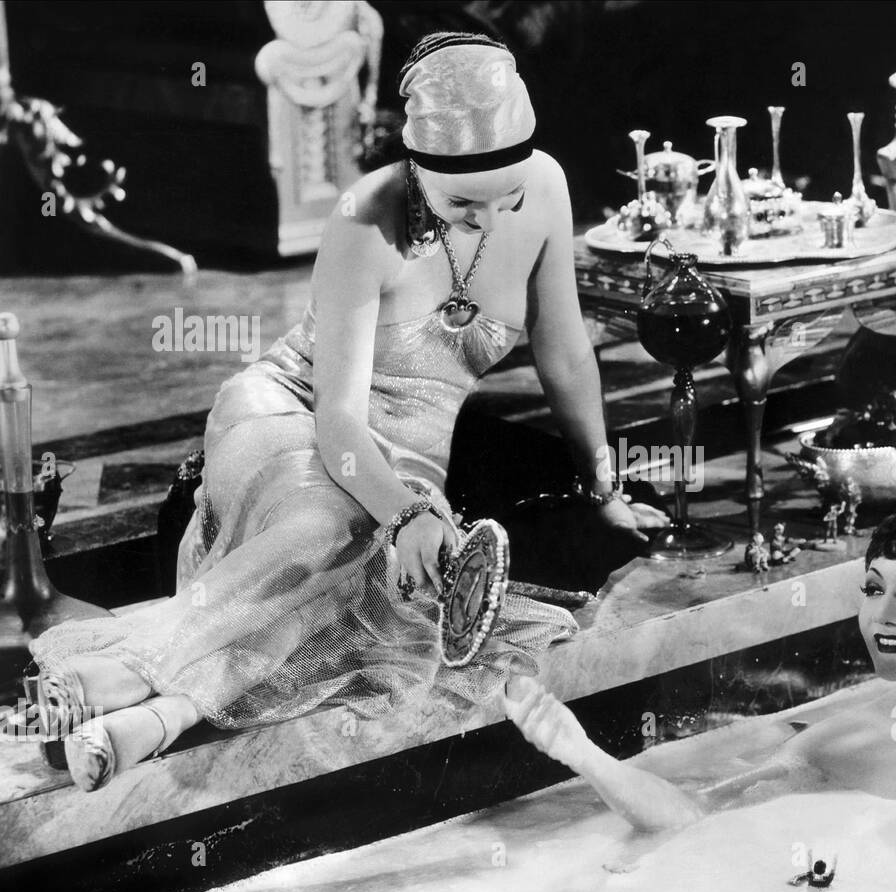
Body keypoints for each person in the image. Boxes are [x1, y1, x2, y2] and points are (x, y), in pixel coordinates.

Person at [27, 31, 668, 792]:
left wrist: (603, 489)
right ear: (419, 167)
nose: (493, 221)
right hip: (294, 412)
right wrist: (406, 513)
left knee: (385, 598)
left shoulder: (551, 186)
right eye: (465, 203)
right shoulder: (365, 216)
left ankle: (154, 716)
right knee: (332, 529)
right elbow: (338, 420)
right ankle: (124, 674)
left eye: (511, 198)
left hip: (408, 455)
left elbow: (566, 355)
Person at [506, 491, 896, 831]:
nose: (885, 613)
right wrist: (583, 755)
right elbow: (692, 816)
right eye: (874, 589)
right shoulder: (839, 744)